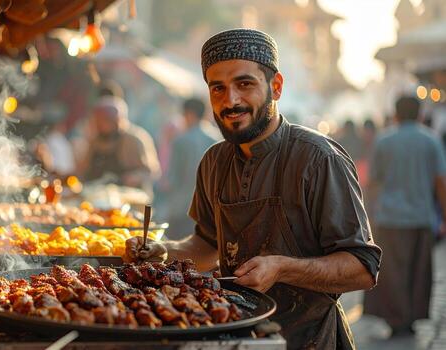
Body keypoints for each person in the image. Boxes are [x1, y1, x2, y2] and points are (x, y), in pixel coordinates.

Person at [124, 28, 381, 349]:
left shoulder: (318, 158)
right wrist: (164, 251)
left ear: (276, 86)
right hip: (235, 334)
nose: (230, 101)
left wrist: (282, 268)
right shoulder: (213, 162)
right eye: (218, 88)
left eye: (244, 84)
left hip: (309, 338)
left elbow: (362, 269)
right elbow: (206, 247)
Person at [363, 96, 446, 335]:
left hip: (389, 219)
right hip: (421, 218)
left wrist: (369, 213)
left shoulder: (384, 140)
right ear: (420, 114)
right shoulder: (431, 140)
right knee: (418, 272)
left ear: (396, 114)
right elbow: (441, 182)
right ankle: (410, 318)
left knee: (393, 272)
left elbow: (373, 183)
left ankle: (395, 318)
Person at [79, 96, 161, 196]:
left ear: (116, 120)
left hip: (133, 201)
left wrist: (135, 177)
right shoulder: (96, 140)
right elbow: (83, 169)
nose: (98, 126)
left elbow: (153, 172)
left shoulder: (135, 139)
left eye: (102, 121)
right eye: (97, 121)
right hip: (99, 197)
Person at [166, 98, 220, 239]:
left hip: (183, 207)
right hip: (209, 210)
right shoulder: (217, 140)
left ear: (189, 114)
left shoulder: (181, 141)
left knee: (180, 253)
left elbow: (172, 179)